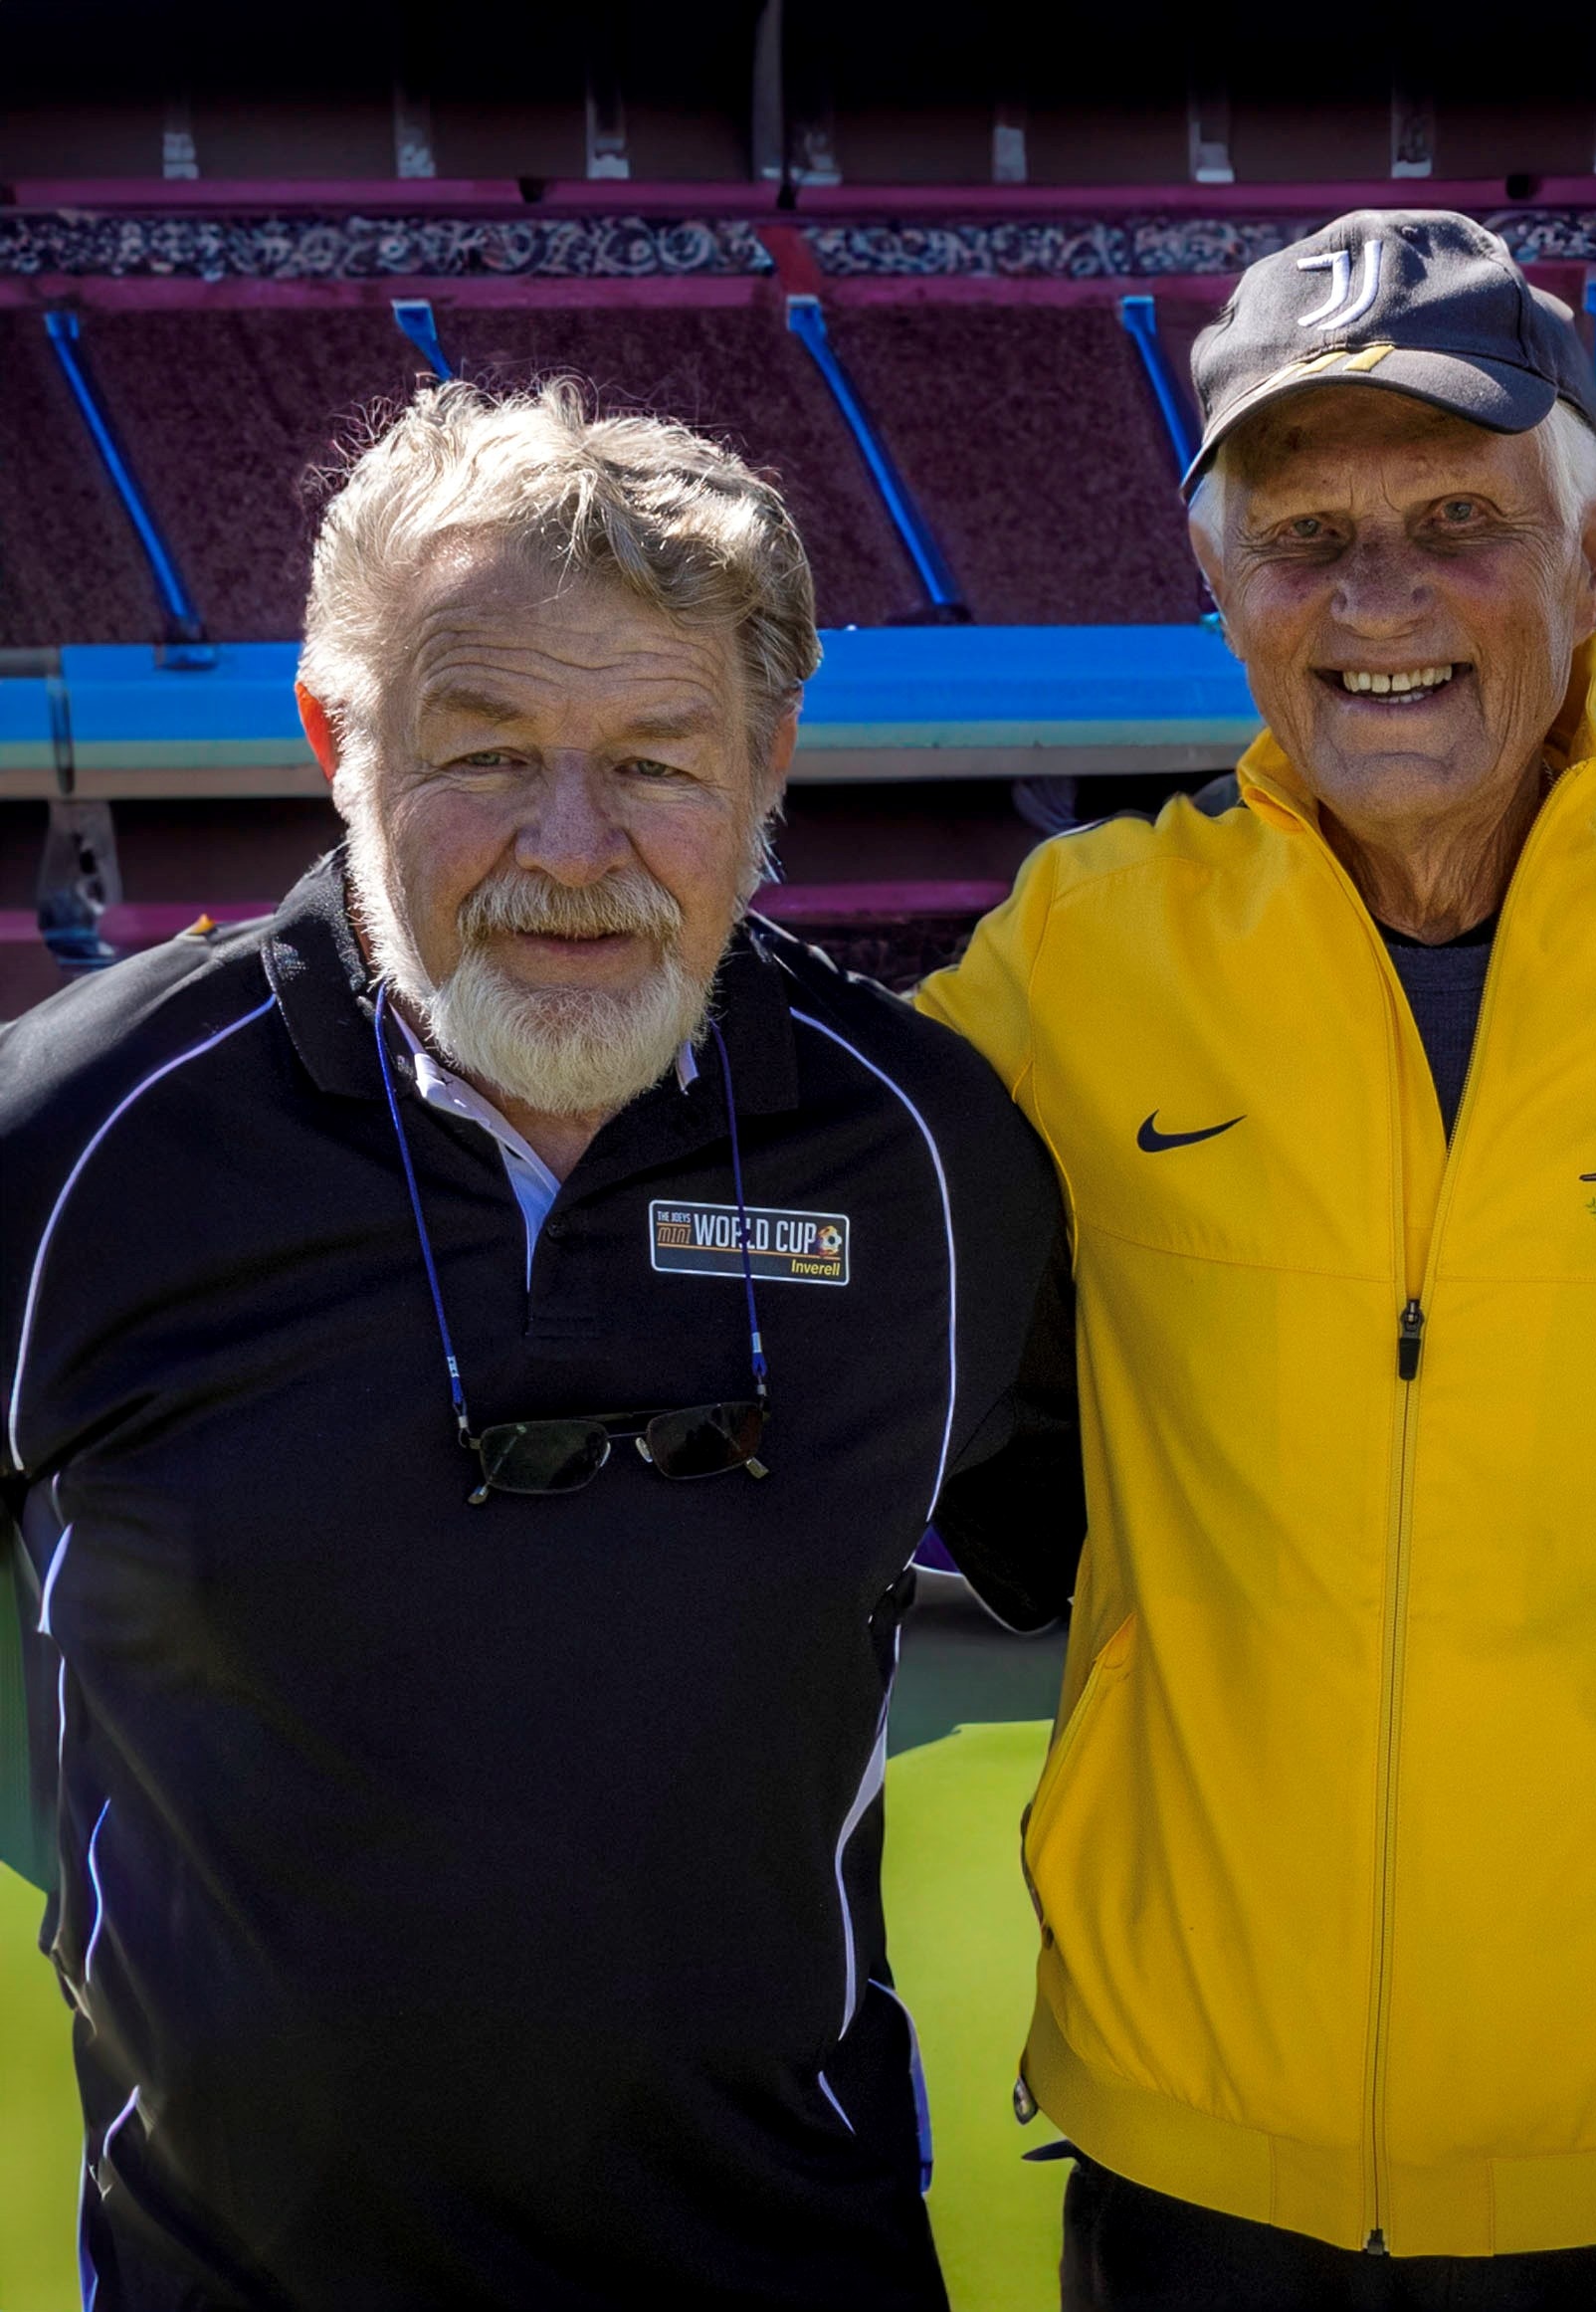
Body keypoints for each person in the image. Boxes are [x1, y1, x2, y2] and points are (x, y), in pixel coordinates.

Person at [917, 210, 1596, 2308]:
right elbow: (813, 1235)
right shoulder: (1076, 949)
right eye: (1303, 537)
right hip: (1196, 2159)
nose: (1376, 597)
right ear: (1223, 591)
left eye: (1459, 518)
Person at [0, 381, 1077, 2310]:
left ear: (770, 758)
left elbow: (1144, 1568)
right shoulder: (68, 1143)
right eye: (485, 750)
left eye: (657, 760)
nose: (572, 849)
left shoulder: (930, 1162)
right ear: (337, 739)